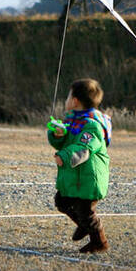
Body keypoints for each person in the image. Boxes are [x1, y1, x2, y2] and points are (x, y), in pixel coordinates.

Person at [47, 78, 111, 253]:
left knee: (86, 212)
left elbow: (84, 147)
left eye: (68, 96)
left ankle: (100, 242)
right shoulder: (73, 121)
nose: (66, 99)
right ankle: (84, 225)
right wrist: (59, 135)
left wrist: (65, 157)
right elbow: (63, 142)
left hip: (89, 179)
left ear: (75, 101)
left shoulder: (93, 125)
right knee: (62, 201)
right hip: (77, 177)